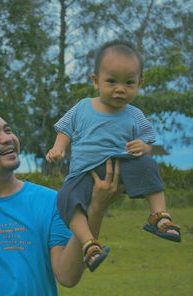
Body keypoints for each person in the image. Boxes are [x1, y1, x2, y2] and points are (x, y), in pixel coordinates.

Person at [0, 102, 121, 296]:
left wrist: (96, 209)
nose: (7, 138)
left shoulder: (53, 201)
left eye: (7, 130)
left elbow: (67, 276)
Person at [46, 39, 181, 273]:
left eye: (129, 83)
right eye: (111, 81)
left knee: (148, 163)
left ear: (140, 83)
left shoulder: (134, 114)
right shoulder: (83, 107)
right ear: (96, 81)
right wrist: (59, 148)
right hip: (83, 174)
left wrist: (144, 148)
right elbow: (64, 130)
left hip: (121, 165)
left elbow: (149, 140)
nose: (120, 89)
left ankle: (159, 216)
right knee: (65, 198)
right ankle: (89, 244)